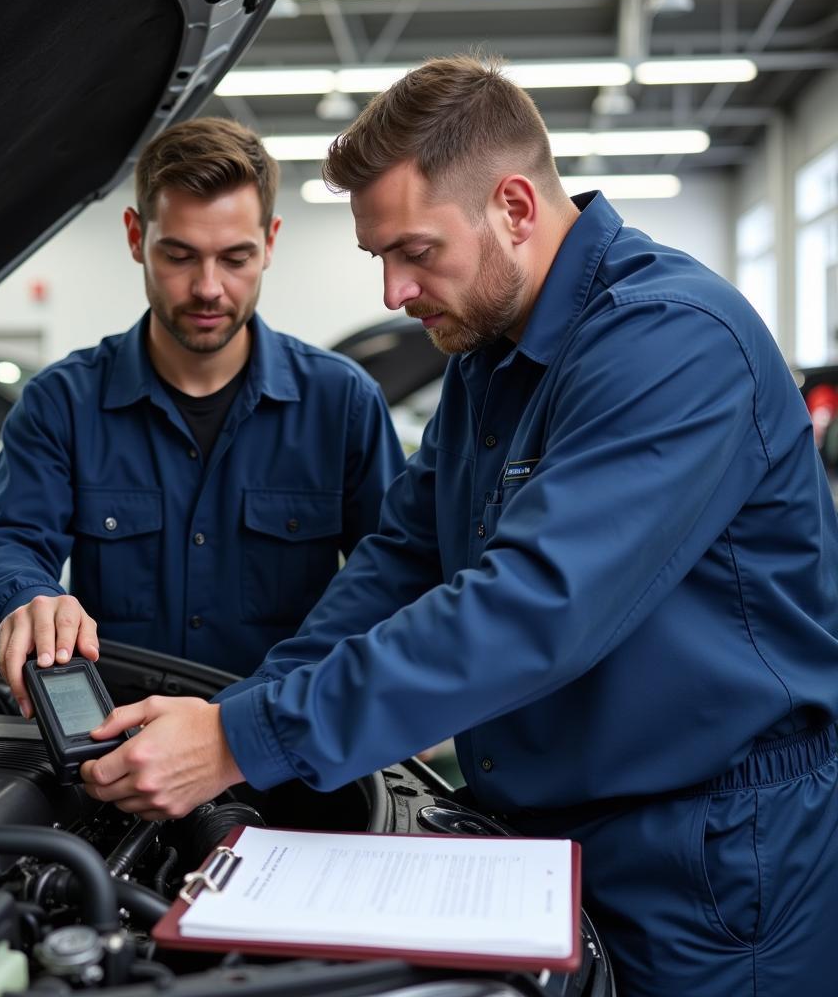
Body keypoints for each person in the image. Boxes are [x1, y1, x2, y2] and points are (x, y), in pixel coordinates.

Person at [77, 58, 838, 996]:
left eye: (416, 251)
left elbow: (527, 609)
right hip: (555, 833)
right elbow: (400, 561)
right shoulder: (491, 355)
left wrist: (244, 737)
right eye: (378, 259)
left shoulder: (674, 343)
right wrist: (245, 727)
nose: (394, 292)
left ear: (515, 205)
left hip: (710, 859)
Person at [0, 116, 404, 717]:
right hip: (114, 755)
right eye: (180, 255)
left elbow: (397, 573)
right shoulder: (63, 402)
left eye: (236, 257)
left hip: (283, 751)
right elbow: (2, 537)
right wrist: (25, 598)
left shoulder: (341, 403)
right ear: (137, 236)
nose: (209, 288)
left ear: (270, 242)